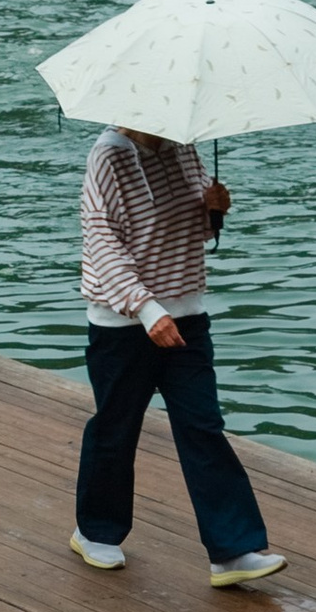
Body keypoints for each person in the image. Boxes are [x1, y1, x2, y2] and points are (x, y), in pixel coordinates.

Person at [71, 124, 284, 587]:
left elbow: (189, 233)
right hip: (124, 322)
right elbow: (102, 241)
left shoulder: (183, 149)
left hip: (186, 312)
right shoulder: (108, 156)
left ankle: (232, 550)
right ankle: (95, 532)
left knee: (203, 426)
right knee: (116, 426)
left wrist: (213, 212)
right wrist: (147, 310)